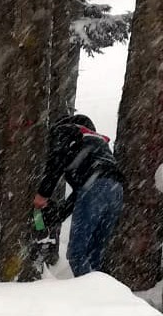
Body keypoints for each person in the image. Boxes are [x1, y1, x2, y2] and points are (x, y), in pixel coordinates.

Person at [34, 113, 126, 277]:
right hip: (116, 191)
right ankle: (101, 292)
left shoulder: (65, 130)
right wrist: (58, 215)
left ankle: (86, 294)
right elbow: (79, 194)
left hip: (94, 186)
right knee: (95, 251)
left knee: (77, 253)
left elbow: (56, 165)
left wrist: (42, 195)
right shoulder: (97, 143)